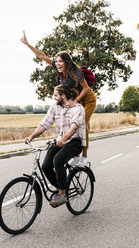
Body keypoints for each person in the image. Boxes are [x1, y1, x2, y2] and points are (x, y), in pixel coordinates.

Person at [21, 31, 96, 166]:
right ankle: (74, 154)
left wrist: (76, 100)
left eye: (60, 61)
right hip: (75, 99)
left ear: (67, 62)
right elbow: (41, 55)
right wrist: (27, 44)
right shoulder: (58, 69)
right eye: (56, 61)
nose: (57, 63)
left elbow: (86, 88)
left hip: (87, 99)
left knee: (81, 124)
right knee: (70, 124)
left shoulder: (76, 73)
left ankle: (84, 157)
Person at [25, 85, 86, 207]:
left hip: (75, 142)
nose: (54, 97)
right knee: (46, 166)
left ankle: (62, 194)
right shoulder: (54, 108)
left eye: (55, 95)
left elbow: (74, 127)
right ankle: (60, 187)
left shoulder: (77, 108)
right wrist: (31, 137)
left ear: (63, 95)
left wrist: (64, 139)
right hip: (60, 141)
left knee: (58, 161)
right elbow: (44, 124)